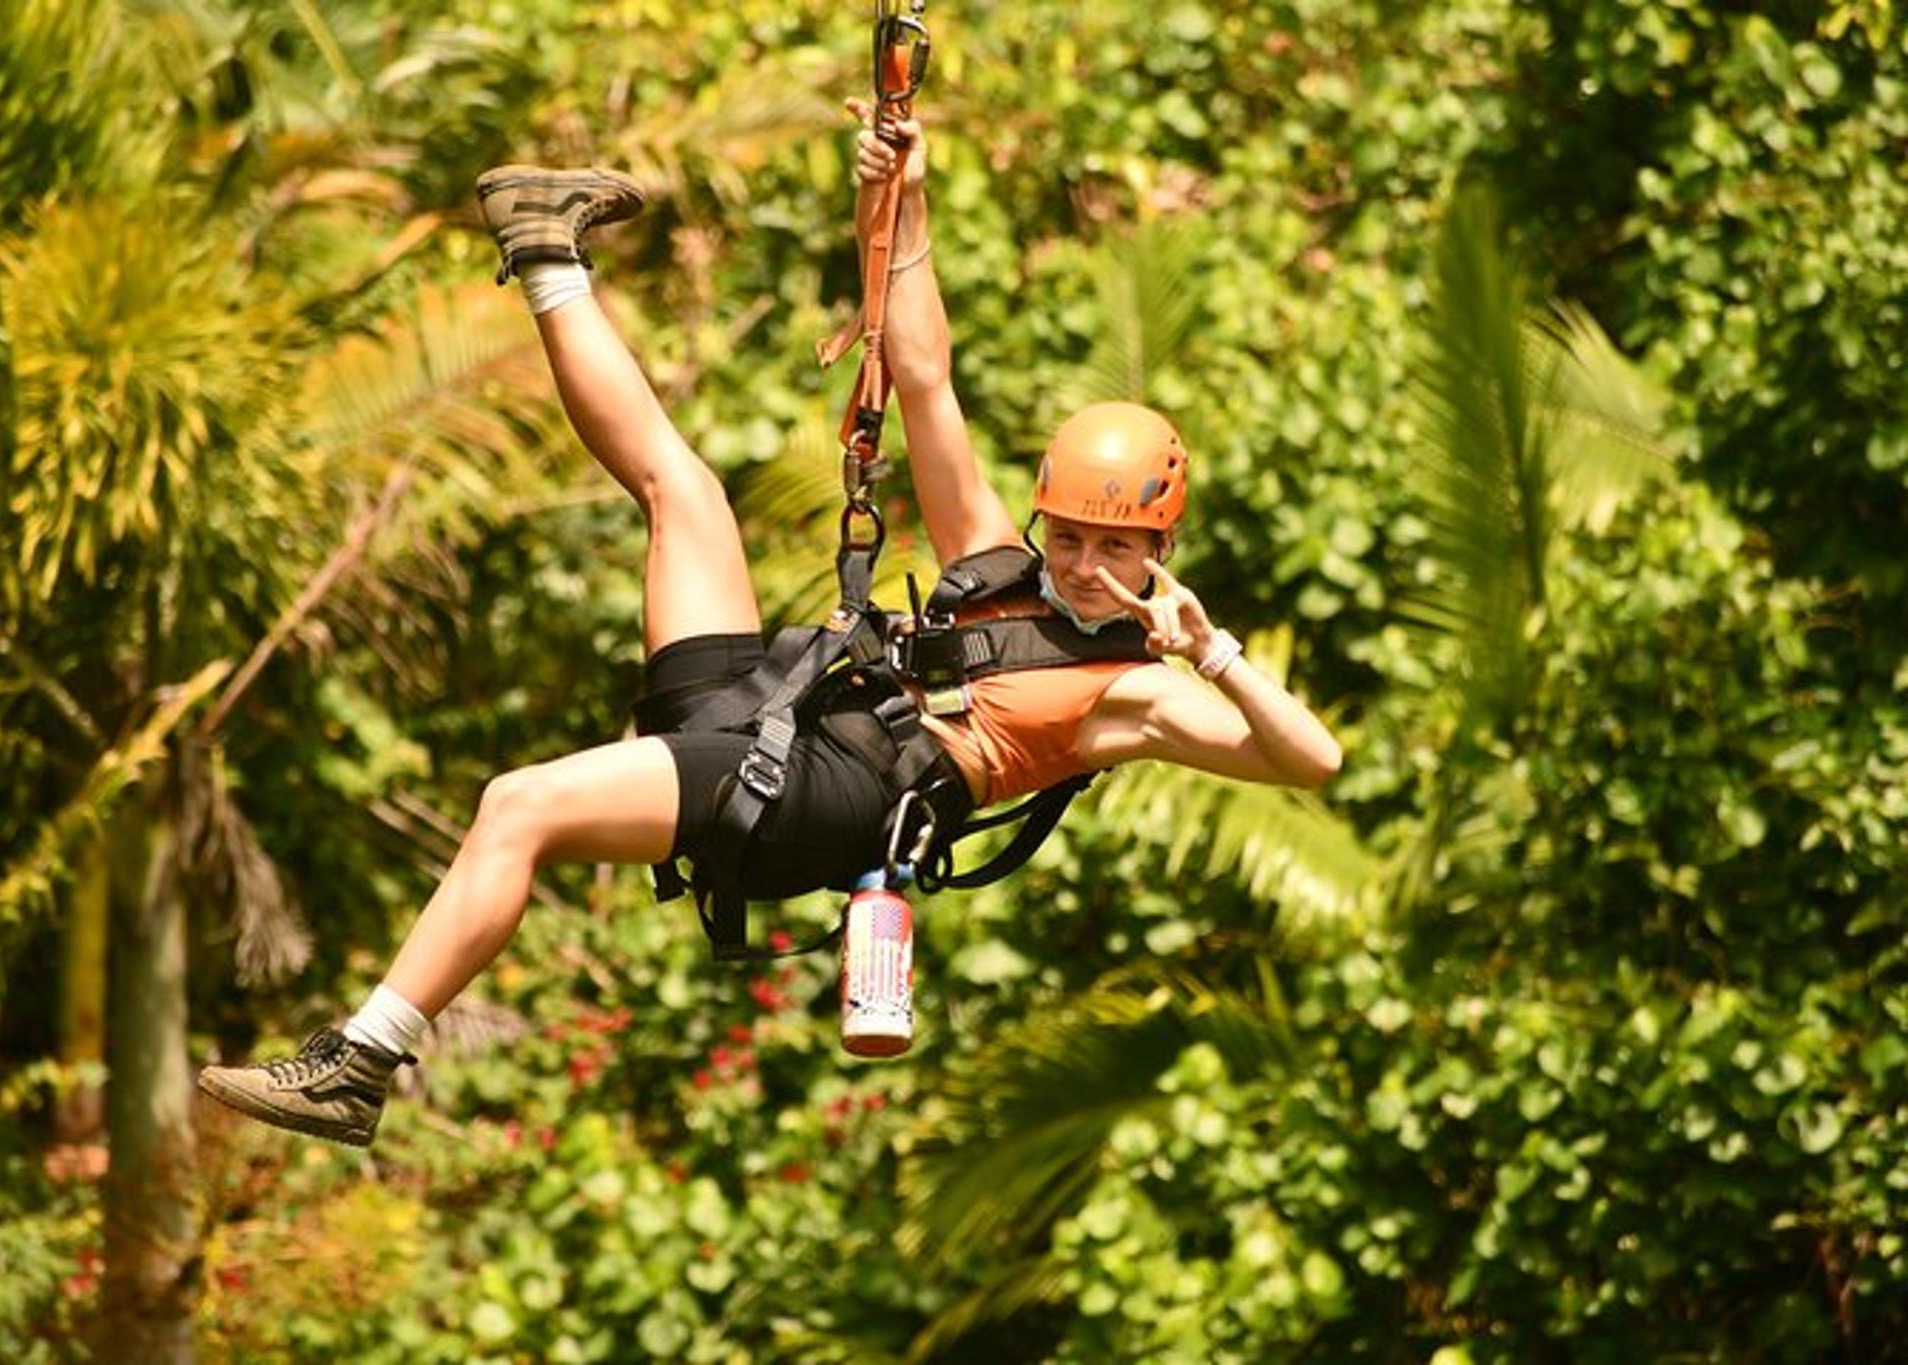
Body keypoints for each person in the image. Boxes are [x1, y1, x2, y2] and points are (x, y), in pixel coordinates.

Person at [196, 106, 1342, 1146]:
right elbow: (923, 375)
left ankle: (359, 1064)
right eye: (1074, 538)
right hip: (774, 714)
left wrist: (1211, 651)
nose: (1087, 567)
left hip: (821, 803)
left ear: (1158, 551)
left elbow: (1310, 761)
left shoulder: (1131, 691)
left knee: (519, 805)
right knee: (681, 489)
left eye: (1116, 549)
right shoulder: (998, 562)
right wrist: (903, 199)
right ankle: (543, 249)